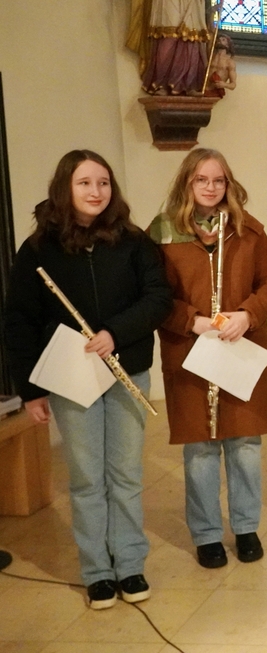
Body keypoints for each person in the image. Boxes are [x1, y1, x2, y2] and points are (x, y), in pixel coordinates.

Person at [4, 150, 172, 609]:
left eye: (103, 182)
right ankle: (98, 571)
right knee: (85, 478)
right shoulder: (38, 249)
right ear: (66, 188)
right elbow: (19, 321)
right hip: (71, 376)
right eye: (84, 183)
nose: (96, 191)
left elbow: (158, 297)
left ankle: (130, 565)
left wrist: (115, 332)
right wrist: (31, 391)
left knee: (126, 474)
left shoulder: (134, 242)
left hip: (126, 368)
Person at [148, 148, 267, 569]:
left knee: (244, 445)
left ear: (229, 184)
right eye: (201, 180)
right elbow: (152, 296)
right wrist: (192, 321)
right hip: (190, 353)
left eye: (218, 180)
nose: (210, 187)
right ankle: (207, 534)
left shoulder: (247, 231)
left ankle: (245, 527)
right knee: (201, 451)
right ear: (187, 183)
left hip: (240, 348)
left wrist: (247, 314)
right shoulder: (162, 234)